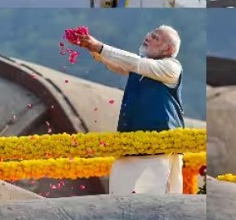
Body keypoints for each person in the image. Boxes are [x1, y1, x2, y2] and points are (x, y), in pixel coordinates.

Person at [73, 25, 185, 195]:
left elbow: (135, 63)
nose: (148, 37)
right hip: (130, 146)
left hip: (159, 151)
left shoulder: (171, 67)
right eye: (150, 34)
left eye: (155, 38)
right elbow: (121, 65)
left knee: (155, 204)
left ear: (167, 49)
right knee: (121, 201)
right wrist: (93, 49)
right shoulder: (140, 68)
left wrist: (100, 48)